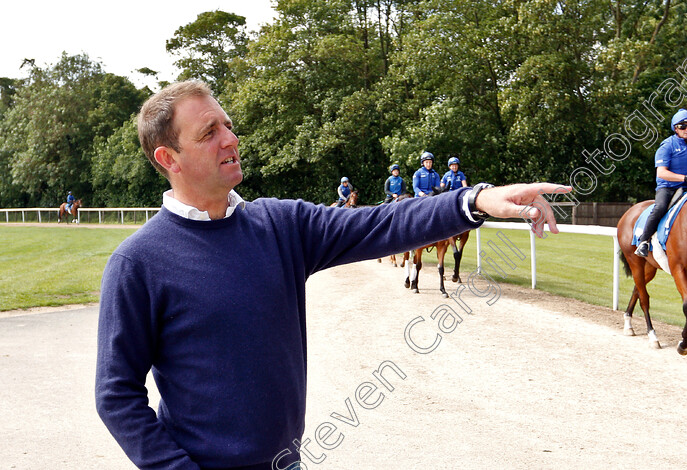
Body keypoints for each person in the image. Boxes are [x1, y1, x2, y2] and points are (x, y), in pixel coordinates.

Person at [95, 80, 570, 470]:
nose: (230, 139)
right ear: (168, 158)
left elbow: (381, 223)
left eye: (229, 125)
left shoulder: (280, 226)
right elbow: (116, 394)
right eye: (208, 132)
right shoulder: (138, 263)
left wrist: (474, 200)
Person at [634, 109, 687, 257]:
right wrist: (686, 178)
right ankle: (643, 241)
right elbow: (662, 173)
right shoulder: (667, 146)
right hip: (667, 188)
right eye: (683, 127)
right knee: (660, 207)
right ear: (675, 128)